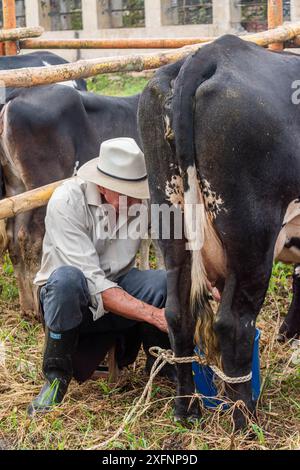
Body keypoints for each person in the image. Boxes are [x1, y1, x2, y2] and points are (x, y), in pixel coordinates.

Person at [28, 137, 173, 416]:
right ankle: (56, 377)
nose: (134, 201)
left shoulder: (140, 201)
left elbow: (175, 243)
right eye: (125, 193)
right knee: (67, 281)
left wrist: (206, 282)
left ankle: (163, 367)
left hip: (118, 285)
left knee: (164, 282)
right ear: (103, 185)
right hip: (71, 302)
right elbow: (92, 282)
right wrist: (154, 314)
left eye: (136, 192)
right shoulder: (67, 200)